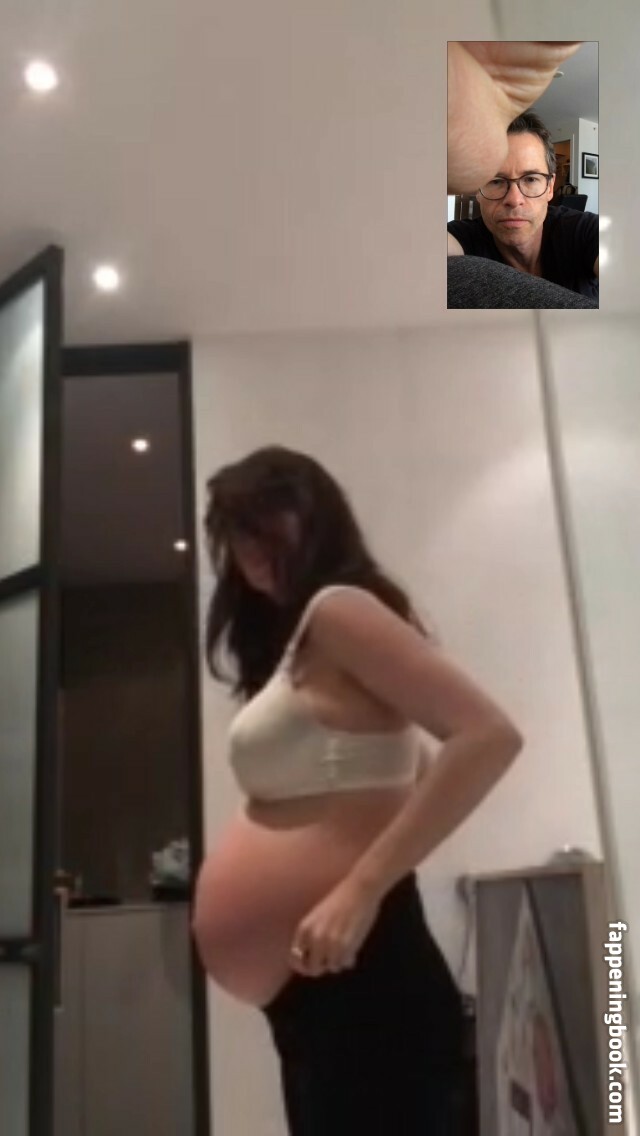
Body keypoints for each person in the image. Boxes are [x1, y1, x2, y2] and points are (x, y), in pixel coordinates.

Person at [192, 445, 524, 1134]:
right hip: (323, 993)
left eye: (263, 526)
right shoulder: (308, 638)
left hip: (366, 980)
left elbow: (488, 736)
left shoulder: (340, 610)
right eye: (237, 536)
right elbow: (413, 769)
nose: (250, 552)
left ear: (312, 519)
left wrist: (359, 888)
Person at [447, 43, 599, 306]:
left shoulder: (585, 231)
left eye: (530, 179)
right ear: (477, 191)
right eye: (496, 181)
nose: (514, 200)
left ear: (550, 187)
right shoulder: (463, 237)